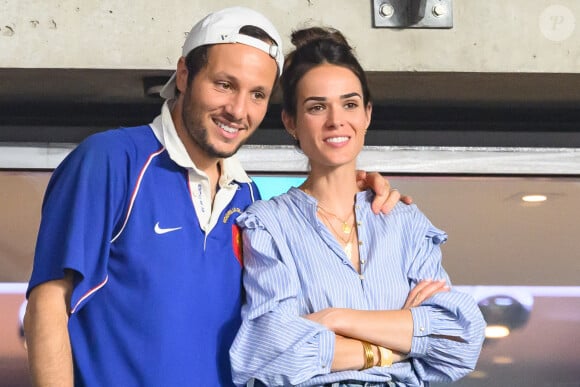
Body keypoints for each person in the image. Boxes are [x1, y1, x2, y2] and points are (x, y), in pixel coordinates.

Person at [23, 7, 407, 387]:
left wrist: (351, 186)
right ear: (186, 74)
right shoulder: (111, 160)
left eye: (257, 94)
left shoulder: (250, 201)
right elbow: (48, 303)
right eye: (224, 84)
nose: (238, 110)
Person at [229, 27, 486, 387]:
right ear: (291, 122)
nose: (337, 120)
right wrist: (395, 345)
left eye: (349, 104)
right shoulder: (268, 225)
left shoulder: (404, 221)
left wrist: (336, 319)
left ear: (366, 114)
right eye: (317, 107)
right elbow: (270, 354)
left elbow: (460, 338)